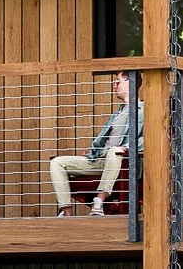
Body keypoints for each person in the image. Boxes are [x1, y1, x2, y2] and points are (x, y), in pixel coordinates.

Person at [52, 71, 141, 215]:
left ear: (131, 82)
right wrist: (94, 150)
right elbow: (106, 140)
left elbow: (147, 138)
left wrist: (125, 148)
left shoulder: (143, 111)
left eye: (117, 82)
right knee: (57, 162)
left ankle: (99, 200)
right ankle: (66, 211)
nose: (114, 86)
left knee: (115, 151)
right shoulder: (118, 113)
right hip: (100, 160)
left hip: (122, 163)